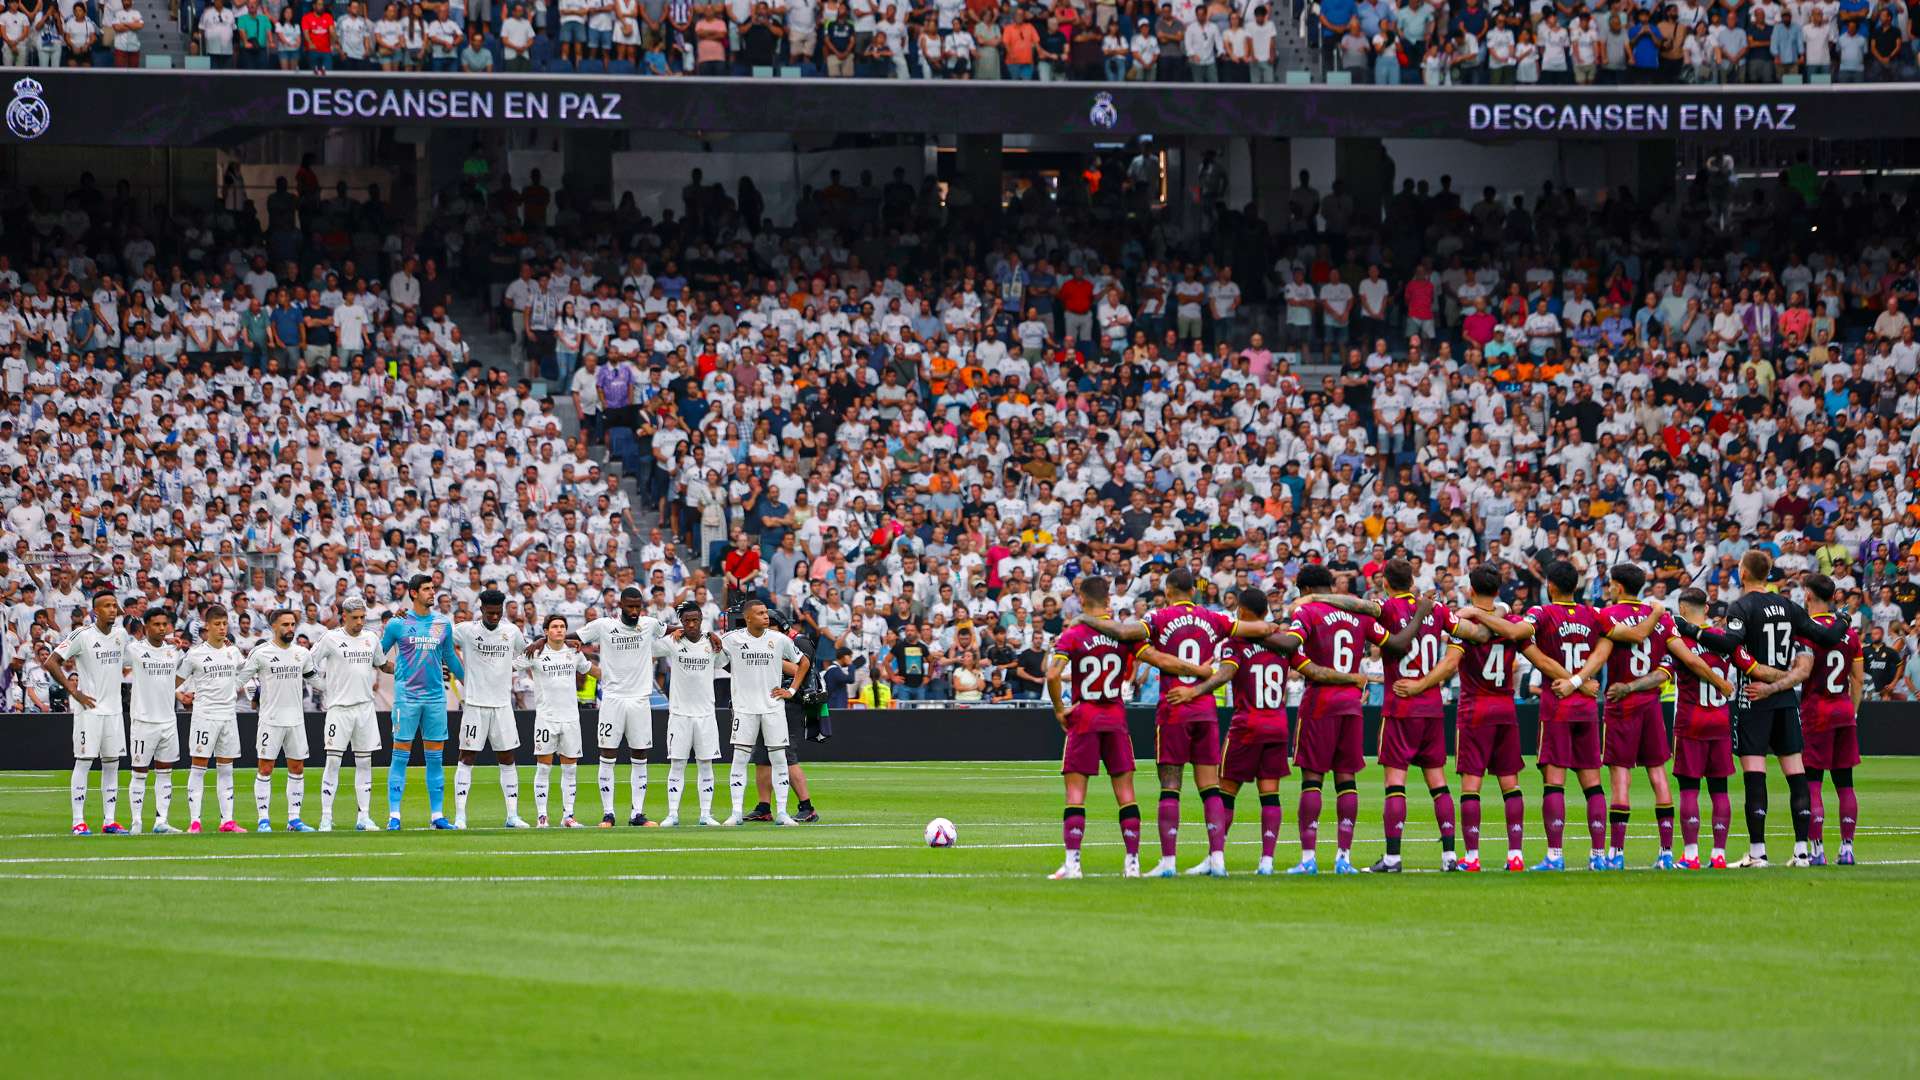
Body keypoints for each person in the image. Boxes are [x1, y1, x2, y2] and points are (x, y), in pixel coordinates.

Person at [1074, 566, 1277, 878]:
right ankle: (1218, 859)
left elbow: (1126, 634)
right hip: (1205, 708)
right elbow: (1261, 630)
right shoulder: (1216, 618)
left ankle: (1168, 862)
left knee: (1171, 786)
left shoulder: (1157, 617)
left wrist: (1085, 618)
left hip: (1173, 708)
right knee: (1210, 788)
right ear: (1194, 591)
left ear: (1167, 592)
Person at [1685, 549, 1847, 867]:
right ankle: (1802, 851)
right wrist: (1842, 619)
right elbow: (1827, 637)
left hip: (1754, 698)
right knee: (1796, 775)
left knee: (1754, 776)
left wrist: (1693, 630)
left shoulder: (1741, 606)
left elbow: (1730, 644)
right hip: (1786, 699)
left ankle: (1758, 852)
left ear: (1743, 573)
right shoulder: (1788, 606)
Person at [1045, 575, 1209, 880]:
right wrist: (1198, 670)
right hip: (1116, 718)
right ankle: (1132, 863)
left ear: (1081, 601)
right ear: (1109, 601)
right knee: (1126, 794)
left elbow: (1053, 675)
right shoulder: (1125, 635)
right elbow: (1159, 660)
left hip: (1084, 717)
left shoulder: (1074, 634)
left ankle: (1073, 865)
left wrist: (1059, 709)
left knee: (1076, 794)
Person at [1468, 561, 1627, 871]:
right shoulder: (1594, 615)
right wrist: (1581, 681)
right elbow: (1612, 642)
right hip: (1586, 707)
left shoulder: (1542, 613)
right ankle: (1598, 856)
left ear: (1550, 586)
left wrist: (1476, 613)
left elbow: (1515, 631)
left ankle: (1555, 855)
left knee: (1555, 784)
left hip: (1557, 705)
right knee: (1592, 784)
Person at [1163, 590, 1306, 875]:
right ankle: (1266, 862)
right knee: (1270, 794)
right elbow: (1308, 668)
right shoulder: (1283, 645)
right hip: (1277, 725)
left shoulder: (1236, 642)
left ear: (1241, 612)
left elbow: (1226, 674)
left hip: (1247, 726)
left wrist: (1194, 691)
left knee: (1225, 791)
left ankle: (1216, 855)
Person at [1280, 564, 1392, 875]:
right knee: (1347, 780)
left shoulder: (1307, 611)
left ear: (1304, 590)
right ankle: (1344, 857)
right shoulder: (1358, 613)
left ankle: (1308, 859)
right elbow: (1393, 643)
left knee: (1312, 779)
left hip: (1320, 701)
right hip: (1352, 704)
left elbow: (1291, 644)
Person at [1577, 563, 1681, 869]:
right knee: (1659, 776)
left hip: (1621, 704)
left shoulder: (1608, 615)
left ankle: (1617, 854)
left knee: (1620, 778)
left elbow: (1607, 649)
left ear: (1618, 587)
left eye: (1610, 584)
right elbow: (1669, 666)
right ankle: (1666, 853)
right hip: (1652, 705)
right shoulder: (1662, 620)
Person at [1668, 588, 1748, 870]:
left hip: (1691, 720)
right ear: (1707, 607)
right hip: (1720, 720)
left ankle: (1690, 854)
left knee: (1689, 789)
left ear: (1681, 607)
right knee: (1720, 790)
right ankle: (1719, 854)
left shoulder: (1678, 638)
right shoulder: (1724, 640)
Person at [379, 573, 466, 830]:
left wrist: (470, 682)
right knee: (400, 755)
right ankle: (394, 815)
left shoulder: (442, 623)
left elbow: (450, 657)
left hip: (436, 698)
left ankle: (437, 815)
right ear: (413, 593)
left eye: (433, 588)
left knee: (436, 758)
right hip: (406, 698)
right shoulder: (398, 624)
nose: (432, 593)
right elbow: (377, 652)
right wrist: (388, 668)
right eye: (427, 589)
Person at [576, 586, 662, 827]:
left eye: (638, 607)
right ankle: (608, 813)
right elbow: (574, 637)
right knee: (607, 754)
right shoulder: (603, 625)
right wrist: (543, 640)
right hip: (613, 699)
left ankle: (637, 813)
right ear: (621, 606)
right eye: (630, 606)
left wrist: (708, 635)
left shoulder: (650, 624)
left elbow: (677, 630)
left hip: (640, 700)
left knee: (640, 754)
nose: (634, 611)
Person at [46, 591, 130, 835]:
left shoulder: (121, 635)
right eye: (106, 606)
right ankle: (78, 821)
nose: (113, 610)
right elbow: (52, 661)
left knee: (112, 765)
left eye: (115, 605)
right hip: (90, 711)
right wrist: (74, 692)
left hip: (114, 712)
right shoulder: (82, 635)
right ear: (95, 611)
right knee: (83, 762)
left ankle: (110, 821)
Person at [1795, 574, 1863, 865]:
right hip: (1844, 709)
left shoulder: (1805, 631)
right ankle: (1847, 849)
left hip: (1816, 710)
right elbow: (1857, 679)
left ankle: (1817, 850)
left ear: (1809, 596)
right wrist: (1854, 711)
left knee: (1813, 783)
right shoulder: (1851, 633)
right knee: (1845, 783)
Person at [306, 596, 389, 832]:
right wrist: (322, 685)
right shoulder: (331, 638)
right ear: (344, 616)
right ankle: (326, 817)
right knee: (333, 762)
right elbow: (308, 662)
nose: (360, 622)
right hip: (339, 710)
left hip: (365, 708)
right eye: (355, 618)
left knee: (365, 763)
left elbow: (382, 664)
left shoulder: (371, 638)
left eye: (363, 617)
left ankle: (364, 817)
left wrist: (407, 666)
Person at [450, 589, 530, 830]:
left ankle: (512, 816)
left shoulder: (511, 632)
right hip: (474, 704)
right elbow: (444, 643)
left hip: (503, 705)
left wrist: (509, 667)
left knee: (507, 757)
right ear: (481, 609)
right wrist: (459, 668)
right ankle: (460, 816)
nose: (494, 617)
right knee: (467, 757)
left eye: (498, 613)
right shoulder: (466, 630)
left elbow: (526, 655)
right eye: (490, 612)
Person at [720, 598, 803, 826]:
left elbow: (802, 662)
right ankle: (736, 812)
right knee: (740, 759)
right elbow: (715, 659)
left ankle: (783, 812)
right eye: (760, 613)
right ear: (748, 617)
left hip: (773, 708)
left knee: (779, 759)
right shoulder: (732, 639)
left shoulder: (779, 640)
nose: (766, 616)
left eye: (766, 612)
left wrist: (791, 690)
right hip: (745, 709)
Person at [653, 601, 726, 827]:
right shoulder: (673, 642)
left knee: (706, 765)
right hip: (679, 714)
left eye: (696, 620)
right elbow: (648, 645)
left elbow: (724, 660)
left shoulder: (712, 644)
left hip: (705, 715)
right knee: (677, 764)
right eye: (687, 621)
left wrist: (714, 636)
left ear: (702, 619)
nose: (692, 624)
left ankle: (706, 814)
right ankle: (673, 813)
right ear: (681, 622)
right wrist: (670, 629)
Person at [519, 615, 595, 827]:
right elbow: (512, 665)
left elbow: (589, 670)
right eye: (554, 627)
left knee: (570, 769)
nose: (559, 630)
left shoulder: (574, 652)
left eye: (562, 627)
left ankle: (568, 816)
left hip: (571, 719)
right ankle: (542, 816)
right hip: (546, 719)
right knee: (543, 768)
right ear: (545, 631)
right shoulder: (535, 653)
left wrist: (615, 679)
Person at [242, 609, 313, 833]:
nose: (290, 628)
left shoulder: (302, 653)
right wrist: (253, 696)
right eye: (285, 625)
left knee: (297, 767)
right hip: (270, 720)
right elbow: (242, 678)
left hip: (296, 720)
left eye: (293, 624)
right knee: (265, 768)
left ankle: (294, 819)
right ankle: (263, 819)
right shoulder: (261, 653)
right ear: (274, 626)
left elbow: (315, 679)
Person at [179, 604, 247, 833]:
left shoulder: (233, 652)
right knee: (199, 768)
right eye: (217, 624)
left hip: (228, 716)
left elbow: (245, 674)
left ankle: (227, 820)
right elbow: (175, 681)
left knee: (226, 768)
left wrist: (241, 688)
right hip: (204, 716)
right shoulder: (195, 654)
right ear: (206, 627)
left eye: (224, 624)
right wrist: (179, 694)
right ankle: (195, 821)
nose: (221, 628)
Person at [124, 608, 183, 835]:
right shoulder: (135, 650)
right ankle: (136, 822)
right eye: (156, 624)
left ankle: (161, 821)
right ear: (146, 627)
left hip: (168, 721)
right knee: (139, 772)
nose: (161, 628)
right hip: (143, 721)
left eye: (164, 624)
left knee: (165, 772)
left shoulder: (173, 652)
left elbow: (181, 675)